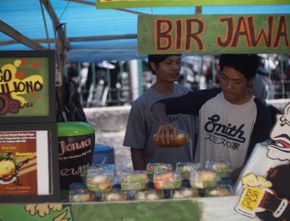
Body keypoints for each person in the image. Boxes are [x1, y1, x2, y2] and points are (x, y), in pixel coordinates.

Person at [152, 54, 274, 182]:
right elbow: (159, 106)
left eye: (237, 82)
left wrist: (220, 182)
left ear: (250, 80)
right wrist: (164, 123)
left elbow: (255, 162)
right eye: (224, 78)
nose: (228, 86)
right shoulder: (208, 98)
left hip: (236, 192)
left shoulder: (260, 113)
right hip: (200, 187)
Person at [123, 54, 197, 170]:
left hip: (188, 177)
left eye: (178, 62)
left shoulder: (189, 96)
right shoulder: (141, 105)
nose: (175, 67)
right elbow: (136, 150)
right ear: (153, 66)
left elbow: (197, 139)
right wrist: (144, 181)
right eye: (168, 63)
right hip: (156, 180)